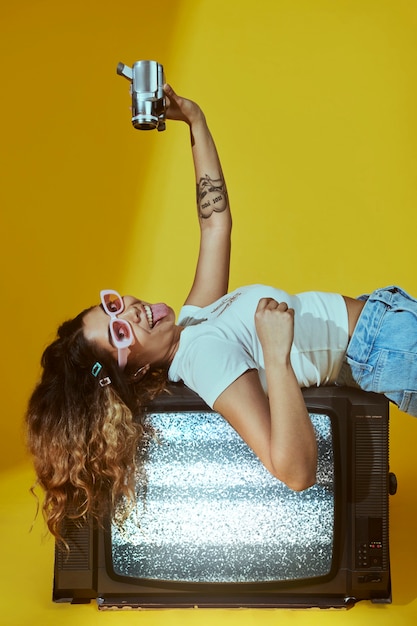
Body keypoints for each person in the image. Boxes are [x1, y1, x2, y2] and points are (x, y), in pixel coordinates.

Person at [26, 84, 417, 544]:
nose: (128, 310)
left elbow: (215, 226)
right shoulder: (202, 359)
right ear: (136, 368)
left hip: (386, 321)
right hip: (384, 346)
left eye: (113, 306)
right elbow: (293, 471)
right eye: (118, 332)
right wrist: (275, 355)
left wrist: (195, 120)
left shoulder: (193, 324)